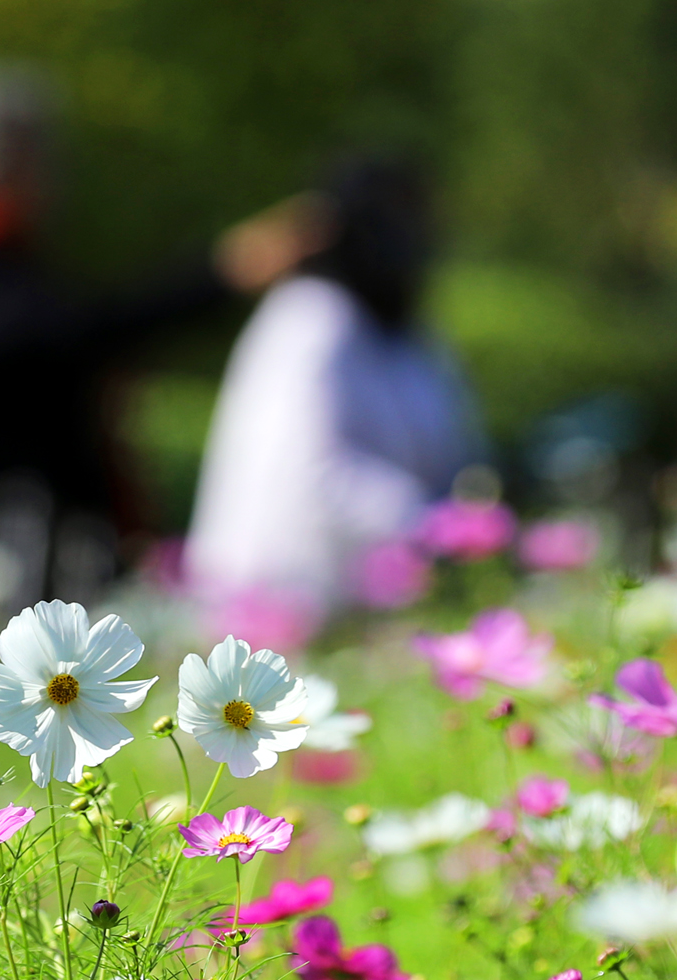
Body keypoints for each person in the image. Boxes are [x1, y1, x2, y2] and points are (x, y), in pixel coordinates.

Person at [0, 63, 313, 603]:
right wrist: (226, 270)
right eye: (37, 156)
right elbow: (91, 328)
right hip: (0, 577)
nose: (53, 177)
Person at [185, 150, 477, 628]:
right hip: (277, 610)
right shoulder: (310, 319)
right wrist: (434, 525)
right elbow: (314, 471)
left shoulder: (413, 338)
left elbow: (457, 457)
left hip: (375, 614)